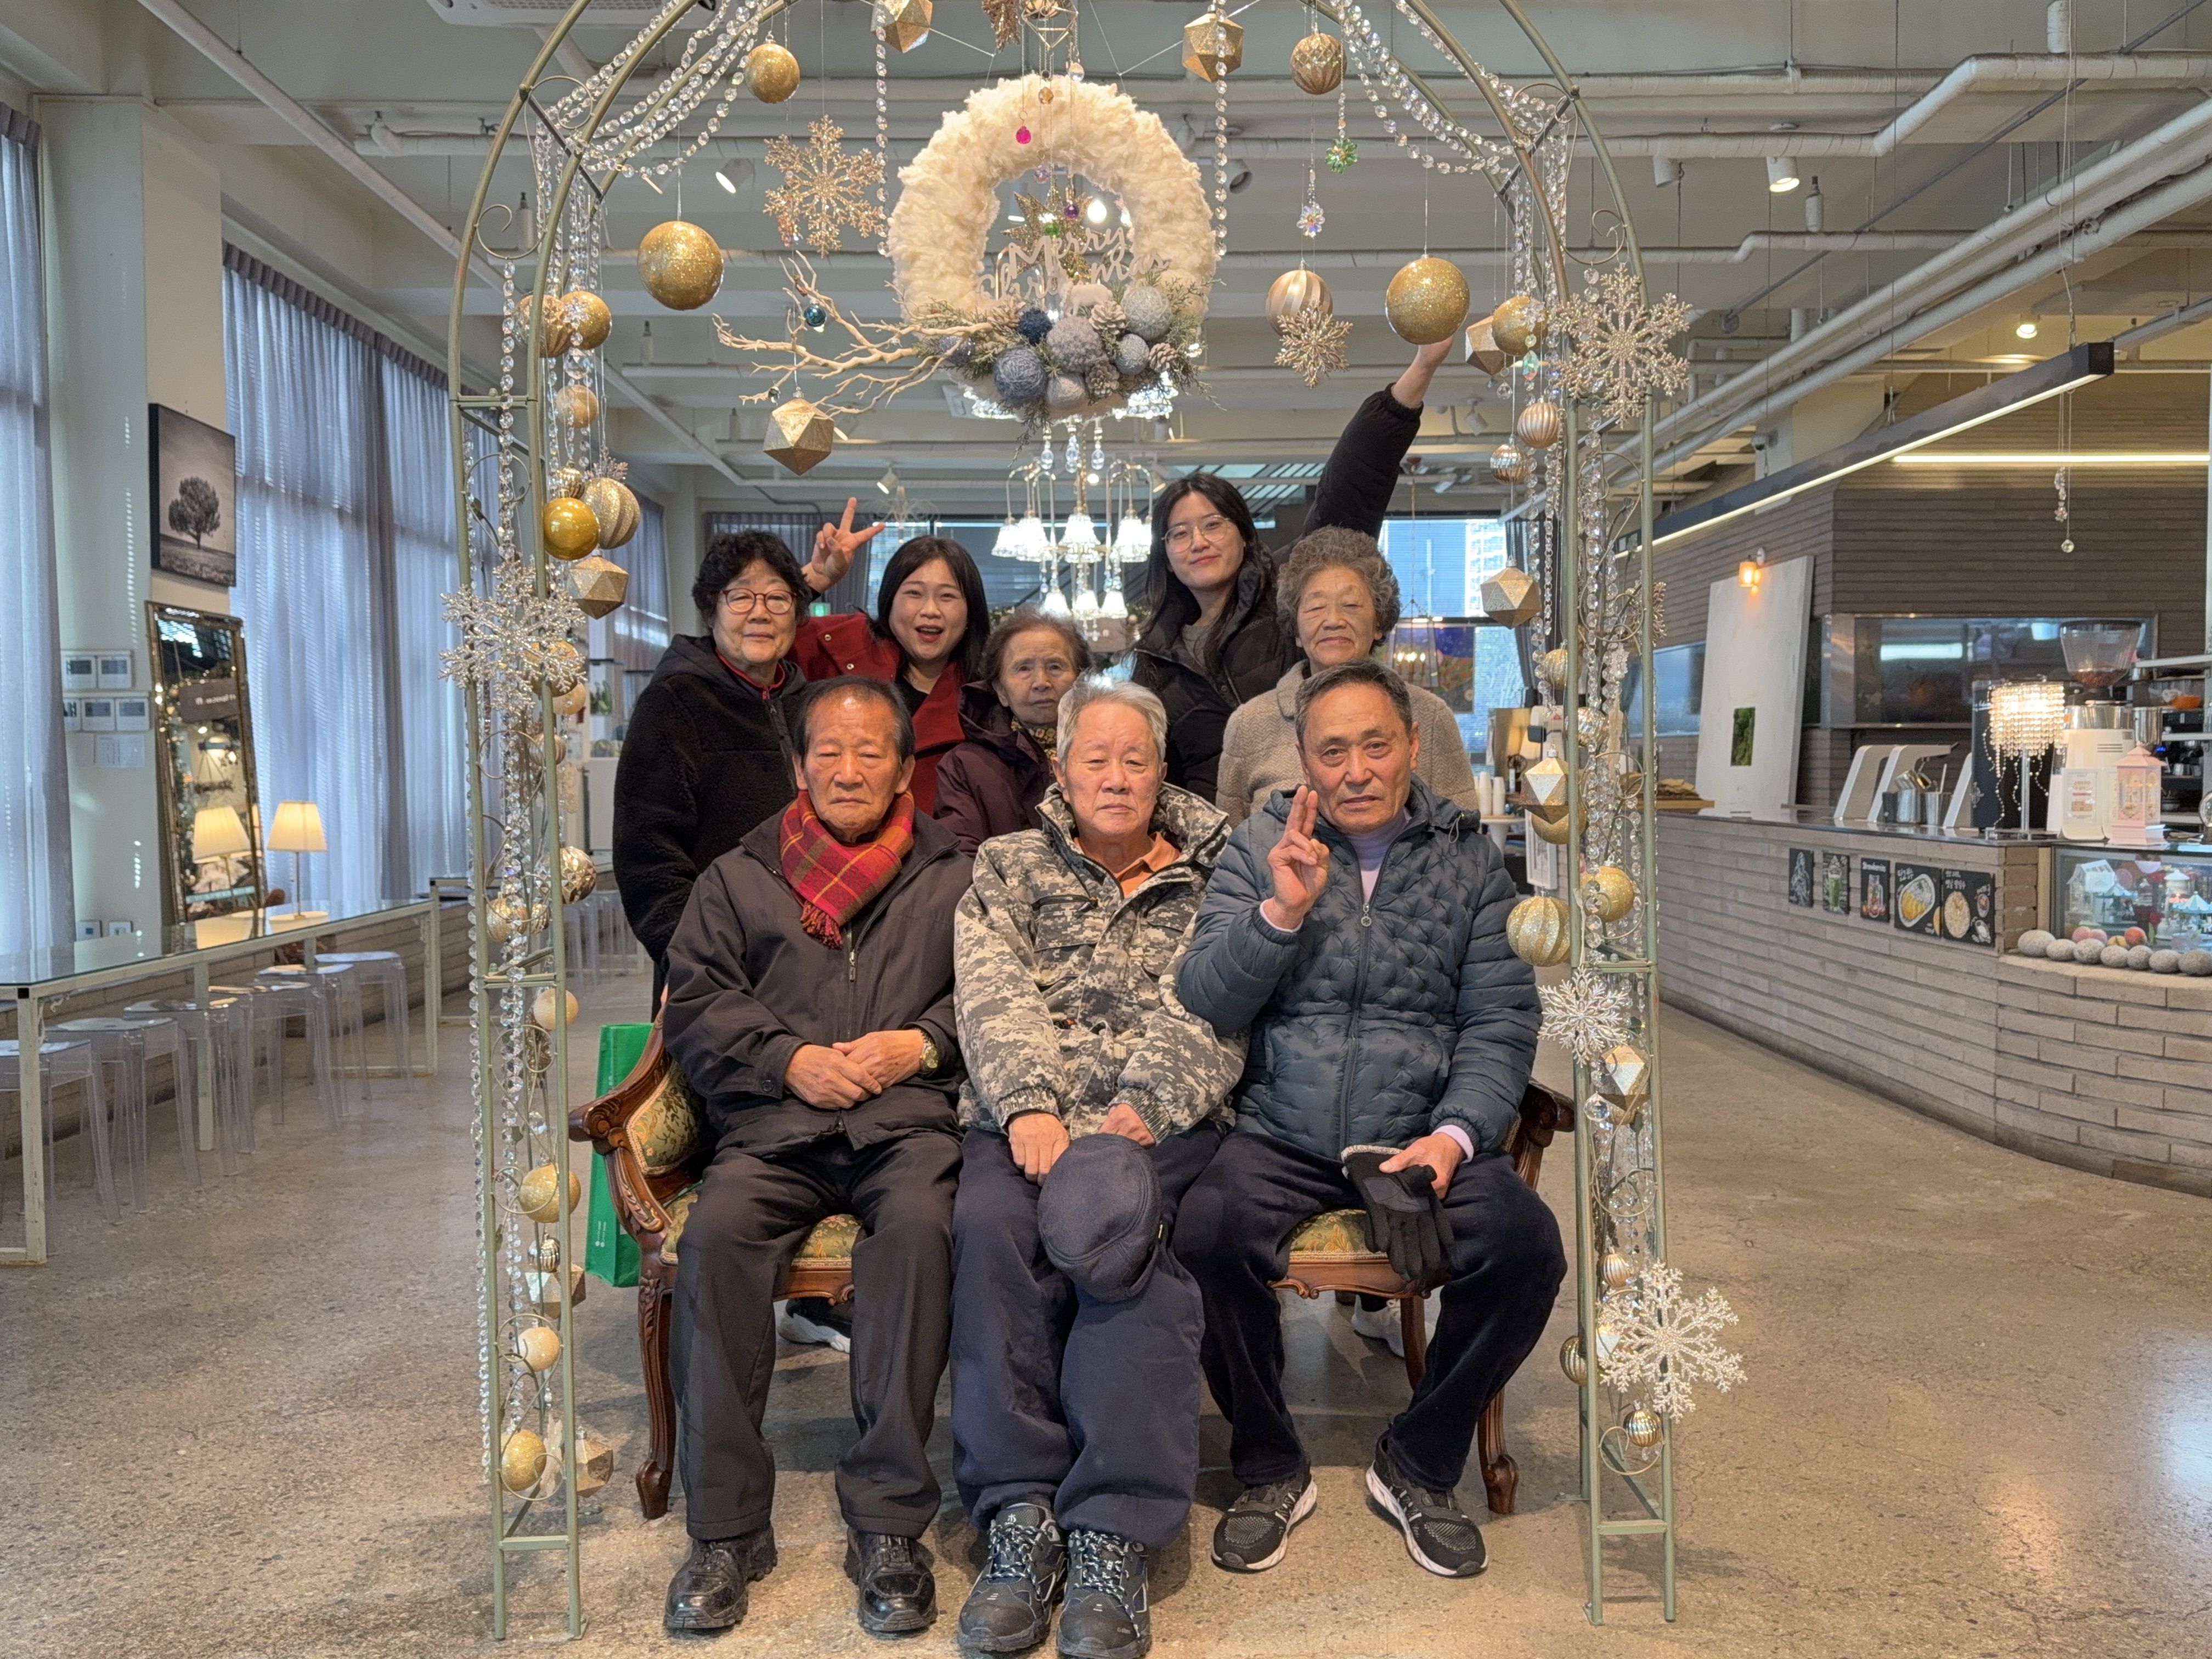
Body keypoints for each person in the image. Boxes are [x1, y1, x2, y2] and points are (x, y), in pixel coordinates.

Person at [1172, 658, 1564, 1582]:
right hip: (1281, 1125)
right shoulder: (1261, 842)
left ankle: (1420, 1459)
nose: (1355, 770)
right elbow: (1205, 996)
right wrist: (1280, 910)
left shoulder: (1471, 860)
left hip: (1420, 1126)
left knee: (1527, 1247)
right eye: (1332, 751)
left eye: (1375, 745)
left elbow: (1500, 1020)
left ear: (1413, 746)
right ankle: (1268, 1461)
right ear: (1305, 761)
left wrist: (1455, 1134)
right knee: (1204, 1232)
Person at [657, 676, 972, 1638]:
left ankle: (888, 1523)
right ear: (798, 766)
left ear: (904, 768)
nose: (847, 769)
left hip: (906, 1125)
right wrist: (786, 1059)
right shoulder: (738, 877)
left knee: (918, 1237)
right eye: (827, 751)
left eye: (870, 751)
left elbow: (996, 995)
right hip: (775, 1126)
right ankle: (725, 1528)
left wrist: (919, 1044)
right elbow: (698, 1005)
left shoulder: (957, 874)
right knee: (715, 1240)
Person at [949, 678, 1243, 1659]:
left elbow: (1219, 1002)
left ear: (1161, 773)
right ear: (1061, 770)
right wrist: (1030, 1101)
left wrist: (1148, 1103)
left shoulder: (1218, 868)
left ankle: (1114, 1528)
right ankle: (1019, 1510)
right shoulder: (1006, 864)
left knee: (1131, 1247)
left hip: (1157, 1121)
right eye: (1095, 759)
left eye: (1135, 760)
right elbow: (990, 991)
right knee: (989, 1230)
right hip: (1025, 1117)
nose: (1115, 777)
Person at [1130, 341, 1452, 804]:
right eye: (1179, 533)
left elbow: (1351, 489)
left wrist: (1418, 373)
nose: (1198, 542)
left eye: (1213, 525)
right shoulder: (1157, 658)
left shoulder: (1289, 594)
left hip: (1327, 811)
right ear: (1164, 553)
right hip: (1217, 839)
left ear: (1244, 534)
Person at [613, 529, 810, 998]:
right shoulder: (673, 703)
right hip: (713, 964)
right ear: (711, 609)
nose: (760, 613)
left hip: (806, 957)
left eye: (777, 598)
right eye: (740, 596)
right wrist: (690, 959)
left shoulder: (814, 705)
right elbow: (648, 853)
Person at [1216, 526, 1482, 828]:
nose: (1333, 620)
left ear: (1379, 622)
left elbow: (1462, 836)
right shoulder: (1249, 724)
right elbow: (1230, 846)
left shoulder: (1430, 716)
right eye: (1316, 607)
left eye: (1351, 605)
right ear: (1296, 629)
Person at [793, 507, 990, 816]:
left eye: (948, 597)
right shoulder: (841, 646)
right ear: (889, 601)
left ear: (970, 613)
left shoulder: (988, 699)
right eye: (914, 593)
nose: (930, 610)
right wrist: (816, 580)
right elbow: (764, 633)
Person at [933, 609, 1093, 856]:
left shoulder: (1108, 754)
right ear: (1001, 691)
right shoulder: (965, 765)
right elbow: (960, 857)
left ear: (1080, 681)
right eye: (1023, 669)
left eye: (1055, 667)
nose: (1041, 682)